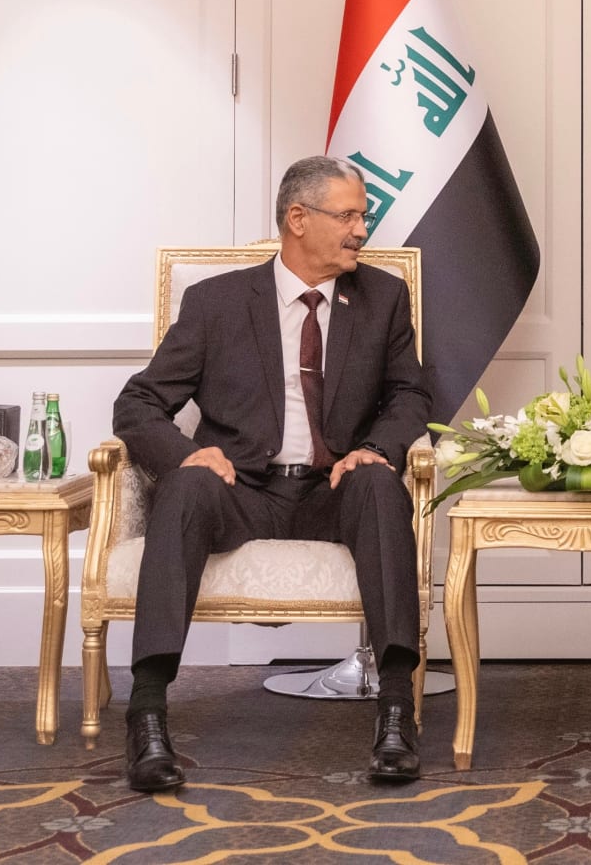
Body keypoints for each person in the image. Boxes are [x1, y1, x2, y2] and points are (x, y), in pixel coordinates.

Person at [112, 155, 430, 791]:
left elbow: (410, 395)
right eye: (348, 216)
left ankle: (396, 710)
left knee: (377, 481)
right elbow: (137, 403)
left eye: (363, 216)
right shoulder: (217, 303)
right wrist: (185, 454)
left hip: (331, 489)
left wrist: (374, 447)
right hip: (244, 490)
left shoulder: (383, 298)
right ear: (298, 218)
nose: (361, 230)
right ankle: (147, 714)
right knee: (186, 485)